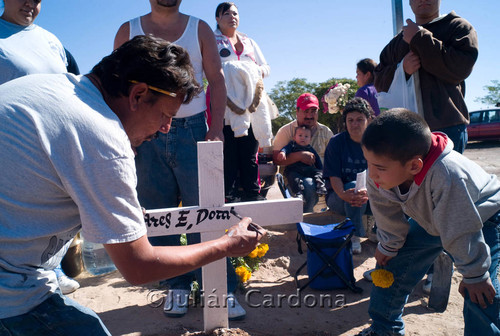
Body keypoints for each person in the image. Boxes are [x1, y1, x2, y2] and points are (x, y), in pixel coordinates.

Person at [0, 35, 264, 336]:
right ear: (137, 95)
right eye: (165, 115)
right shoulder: (101, 136)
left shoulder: (49, 87)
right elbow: (140, 266)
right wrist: (228, 245)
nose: (166, 129)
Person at [113, 0, 247, 320]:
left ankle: (221, 288)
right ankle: (177, 286)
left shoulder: (199, 28)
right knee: (158, 211)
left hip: (193, 129)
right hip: (144, 132)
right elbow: (118, 85)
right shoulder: (127, 31)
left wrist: (215, 129)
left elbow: (216, 80)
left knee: (207, 209)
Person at [355, 109, 500, 336]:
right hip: (432, 221)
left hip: (481, 220)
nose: (371, 174)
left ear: (414, 166)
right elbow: (386, 211)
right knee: (390, 265)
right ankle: (384, 329)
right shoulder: (381, 172)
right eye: (368, 163)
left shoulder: (448, 174)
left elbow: (460, 227)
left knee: (479, 292)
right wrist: (390, 244)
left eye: (379, 168)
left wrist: (474, 274)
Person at [0, 0, 82, 295]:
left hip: (55, 144)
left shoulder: (51, 40)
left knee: (54, 210)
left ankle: (54, 269)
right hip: (13, 147)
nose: (29, 4)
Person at [374, 0, 478, 154]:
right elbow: (378, 82)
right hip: (406, 130)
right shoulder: (397, 42)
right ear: (409, 3)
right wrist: (401, 69)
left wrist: (419, 37)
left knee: (446, 178)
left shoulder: (458, 27)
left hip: (447, 127)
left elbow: (460, 68)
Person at [214, 1, 271, 203]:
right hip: (224, 104)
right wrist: (231, 71)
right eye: (227, 13)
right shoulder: (212, 40)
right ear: (217, 18)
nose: (232, 17)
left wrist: (254, 71)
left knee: (249, 151)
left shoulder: (249, 42)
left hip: (251, 104)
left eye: (235, 13)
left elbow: (266, 67)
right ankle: (227, 196)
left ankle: (253, 193)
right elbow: (206, 69)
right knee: (228, 151)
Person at [323, 97, 372, 254]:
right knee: (352, 188)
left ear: (369, 120)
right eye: (350, 120)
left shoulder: (376, 143)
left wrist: (370, 194)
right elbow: (334, 175)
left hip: (372, 197)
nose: (354, 124)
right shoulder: (336, 143)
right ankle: (355, 234)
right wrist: (343, 194)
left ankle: (378, 230)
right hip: (339, 197)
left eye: (359, 119)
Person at [273, 93, 334, 212]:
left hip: (319, 177)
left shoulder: (326, 132)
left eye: (313, 111)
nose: (310, 115)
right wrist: (299, 156)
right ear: (297, 111)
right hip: (294, 178)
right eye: (306, 111)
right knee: (309, 184)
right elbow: (276, 159)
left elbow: (334, 160)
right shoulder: (285, 131)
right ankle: (305, 220)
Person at [277, 125, 327, 201]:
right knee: (293, 177)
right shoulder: (292, 145)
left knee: (318, 173)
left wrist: (320, 169)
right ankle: (298, 193)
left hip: (308, 169)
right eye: (300, 135)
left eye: (306, 136)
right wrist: (283, 153)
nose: (303, 138)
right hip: (295, 169)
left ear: (310, 139)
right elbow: (285, 149)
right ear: (294, 137)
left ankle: (320, 186)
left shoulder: (310, 148)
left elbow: (317, 159)